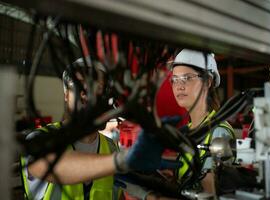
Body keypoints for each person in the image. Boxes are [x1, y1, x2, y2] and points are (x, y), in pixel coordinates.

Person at [20, 58, 166, 200]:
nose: (87, 92)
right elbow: (52, 166)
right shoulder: (38, 139)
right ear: (66, 95)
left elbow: (120, 193)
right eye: (79, 84)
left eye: (98, 87)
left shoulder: (110, 147)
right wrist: (123, 160)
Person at [146, 49, 235, 199]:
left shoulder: (219, 133)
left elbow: (212, 193)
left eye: (187, 78)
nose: (179, 86)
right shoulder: (188, 131)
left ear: (208, 81)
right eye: (175, 79)